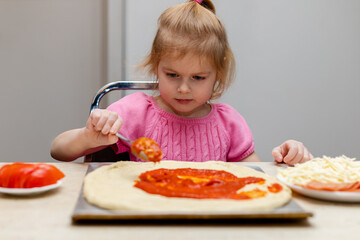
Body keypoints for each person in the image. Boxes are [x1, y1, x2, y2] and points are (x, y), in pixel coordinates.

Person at [51, 0, 313, 165]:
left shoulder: (229, 123)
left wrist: (286, 159)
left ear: (217, 75)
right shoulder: (135, 112)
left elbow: (256, 176)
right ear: (156, 67)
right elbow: (58, 150)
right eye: (172, 75)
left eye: (198, 78)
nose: (184, 88)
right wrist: (87, 137)